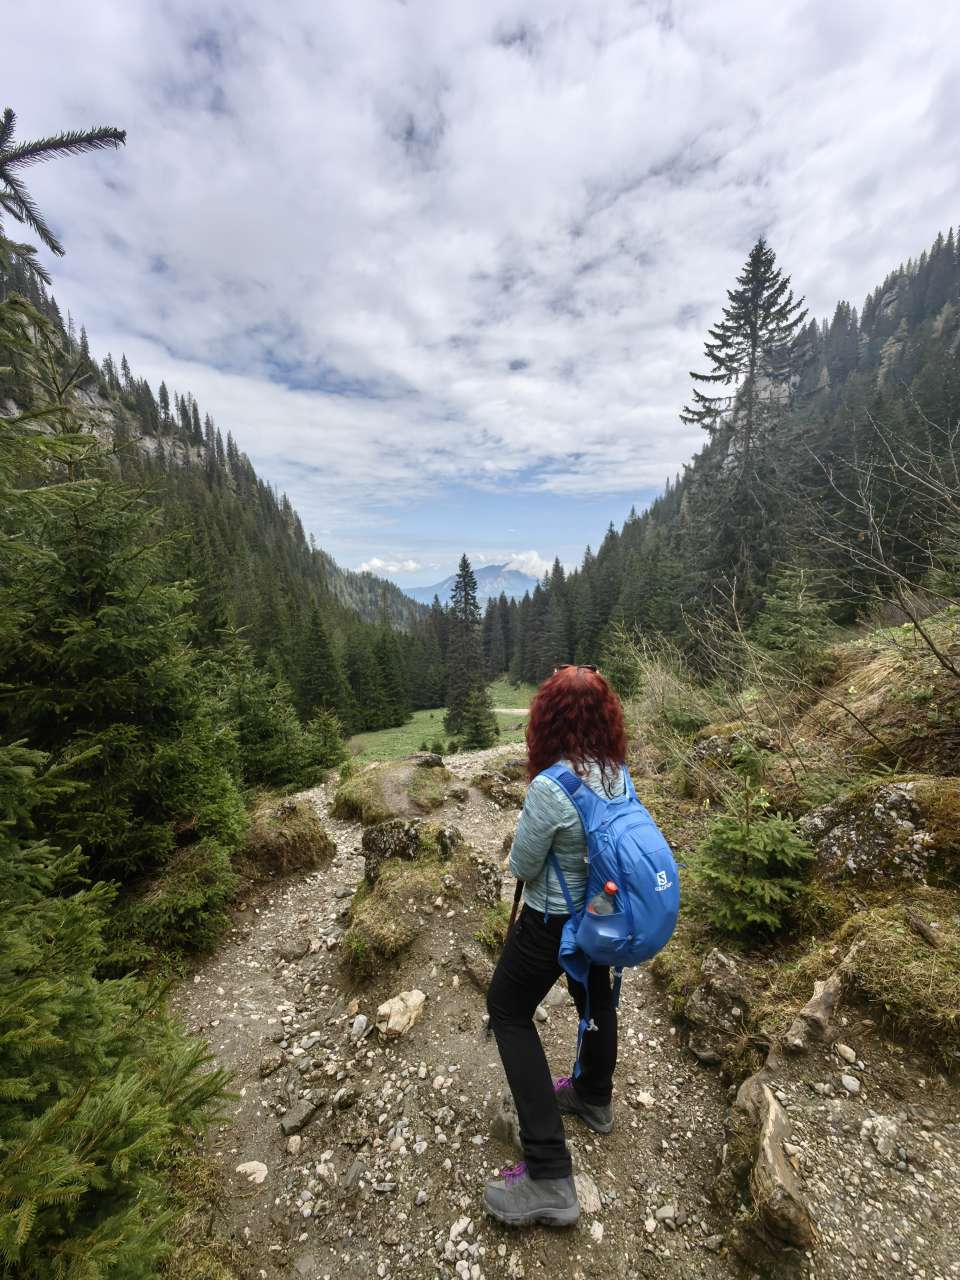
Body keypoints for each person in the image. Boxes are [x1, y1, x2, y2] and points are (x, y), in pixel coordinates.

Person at [483, 664, 629, 1227]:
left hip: (552, 921)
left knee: (508, 1009)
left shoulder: (550, 786)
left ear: (547, 719)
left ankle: (548, 1173)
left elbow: (522, 865)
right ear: (604, 718)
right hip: (600, 913)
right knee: (595, 994)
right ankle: (593, 1095)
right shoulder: (615, 771)